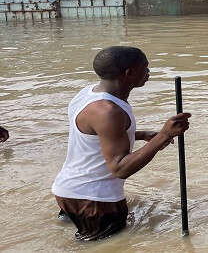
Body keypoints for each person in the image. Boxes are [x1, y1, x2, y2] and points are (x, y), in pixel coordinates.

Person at [52, 46, 191, 241]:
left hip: (69, 191)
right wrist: (164, 135)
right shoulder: (109, 111)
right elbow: (120, 168)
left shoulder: (88, 94)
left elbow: (94, 134)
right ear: (129, 73)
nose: (149, 72)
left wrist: (143, 135)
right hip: (95, 201)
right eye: (146, 67)